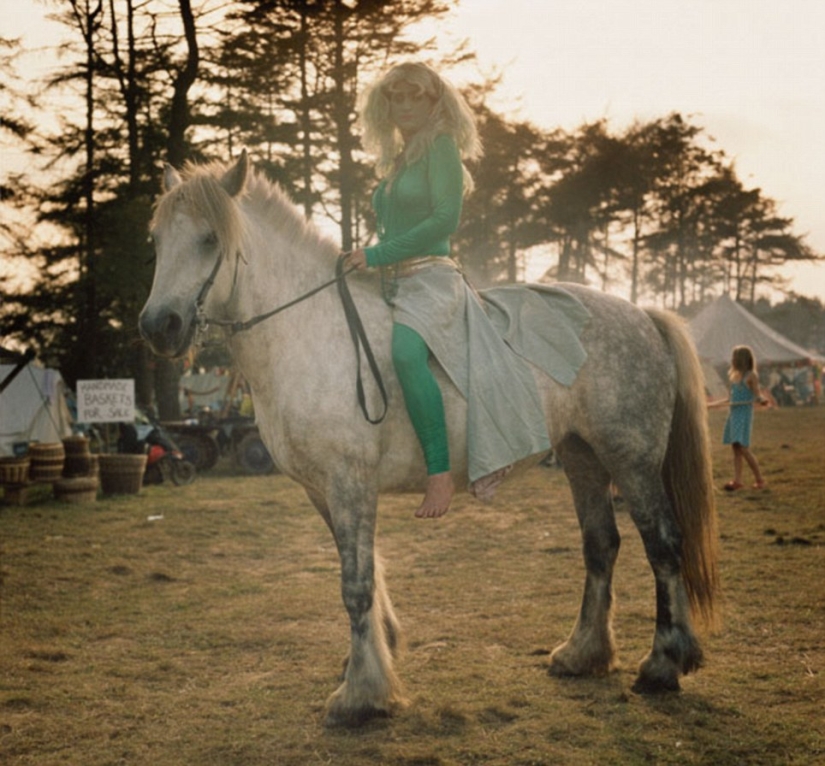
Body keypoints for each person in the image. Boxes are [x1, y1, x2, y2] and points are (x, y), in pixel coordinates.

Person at [342, 61, 528, 520]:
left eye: (414, 97)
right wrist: (363, 263)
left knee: (405, 353)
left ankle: (440, 474)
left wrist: (377, 254)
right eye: (395, 98)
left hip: (431, 277)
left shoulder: (442, 148)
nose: (404, 106)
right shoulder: (399, 157)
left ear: (434, 102)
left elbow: (444, 222)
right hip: (393, 278)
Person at [709, 345, 768, 491]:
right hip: (734, 414)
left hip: (743, 414)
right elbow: (729, 399)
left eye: (734, 357)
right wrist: (711, 404)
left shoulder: (750, 376)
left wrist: (761, 400)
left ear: (741, 359)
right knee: (735, 448)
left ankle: (759, 479)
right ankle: (737, 481)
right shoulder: (734, 377)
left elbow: (756, 394)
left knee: (743, 447)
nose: (732, 360)